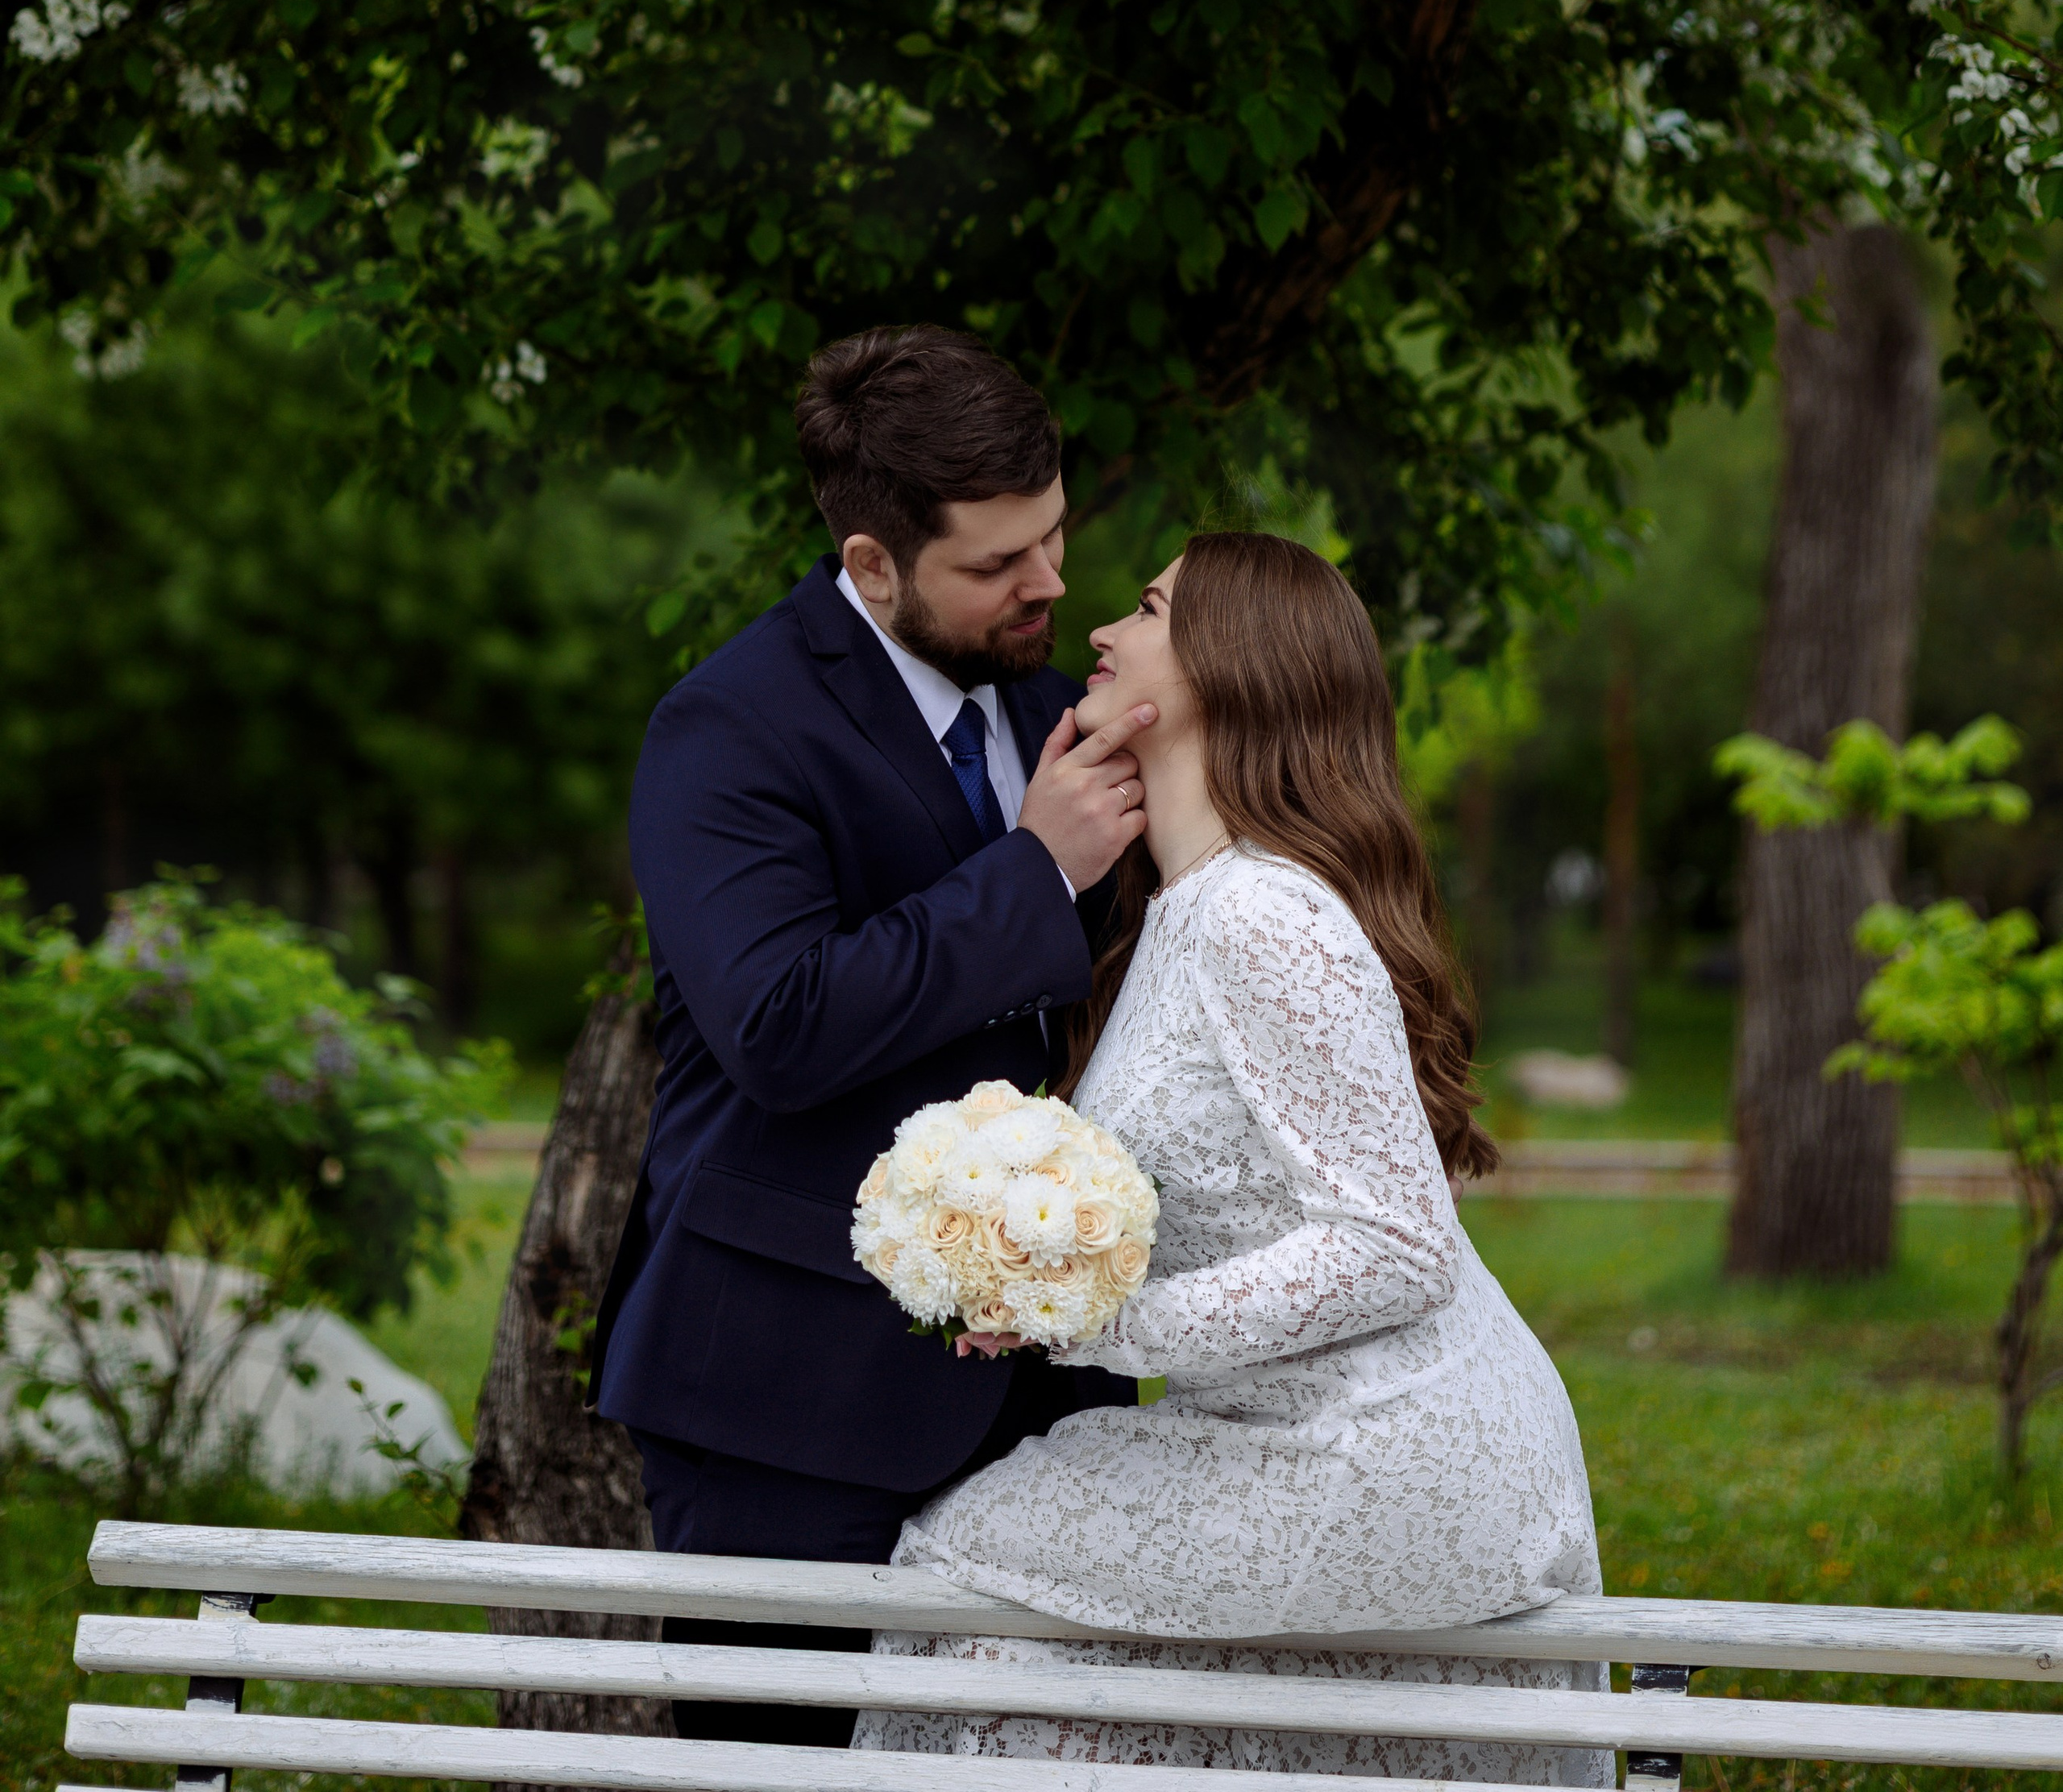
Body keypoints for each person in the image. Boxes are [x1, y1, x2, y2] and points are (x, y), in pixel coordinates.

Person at [860, 530, 1610, 1788]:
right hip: (1295, 1433)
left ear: (1228, 666)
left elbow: (1397, 1247)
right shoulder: (1191, 907)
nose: (1100, 628)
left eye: (1148, 607)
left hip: (1383, 1447)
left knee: (968, 1560)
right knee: (1009, 1602)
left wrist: (1106, 1326)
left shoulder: (1266, 914)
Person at [589, 321, 1148, 1744]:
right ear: (871, 564)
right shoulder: (727, 728)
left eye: (1056, 536)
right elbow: (777, 1024)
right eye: (998, 564)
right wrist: (1033, 876)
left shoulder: (1049, 704)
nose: (1051, 585)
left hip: (1044, 1390)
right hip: (786, 1391)